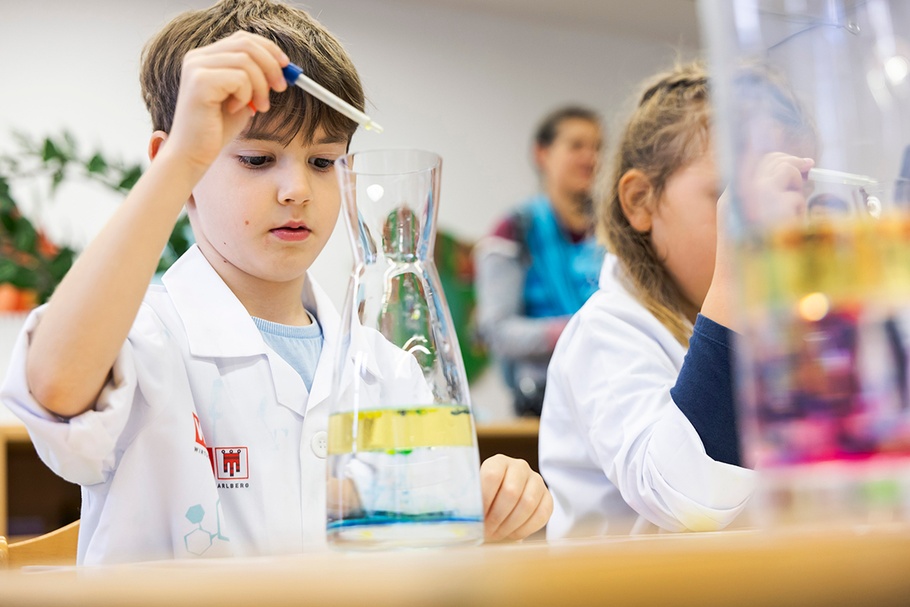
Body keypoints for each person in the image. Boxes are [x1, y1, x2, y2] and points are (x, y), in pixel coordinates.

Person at [0, 0, 551, 565]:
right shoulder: (144, 339)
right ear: (178, 166)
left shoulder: (387, 369)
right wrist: (183, 159)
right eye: (259, 159)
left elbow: (412, 555)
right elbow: (56, 387)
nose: (297, 191)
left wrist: (487, 511)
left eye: (322, 162)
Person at [538, 61, 817, 538]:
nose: (778, 221)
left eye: (793, 196)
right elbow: (689, 498)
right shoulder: (607, 329)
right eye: (736, 194)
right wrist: (737, 277)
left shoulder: (776, 331)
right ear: (641, 201)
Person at [474, 106, 604, 417]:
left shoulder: (612, 233)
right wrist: (576, 329)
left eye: (597, 147)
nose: (591, 158)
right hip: (544, 404)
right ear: (542, 153)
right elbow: (497, 331)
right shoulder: (515, 230)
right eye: (576, 146)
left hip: (607, 396)